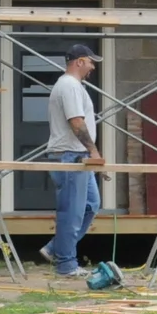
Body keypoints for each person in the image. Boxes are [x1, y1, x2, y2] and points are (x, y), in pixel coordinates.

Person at [43, 43, 106, 277]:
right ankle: (66, 264)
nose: (92, 67)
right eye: (90, 62)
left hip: (79, 155)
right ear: (79, 62)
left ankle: (56, 248)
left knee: (91, 205)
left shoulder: (74, 86)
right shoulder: (69, 86)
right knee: (72, 212)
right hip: (70, 156)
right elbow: (77, 122)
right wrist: (94, 152)